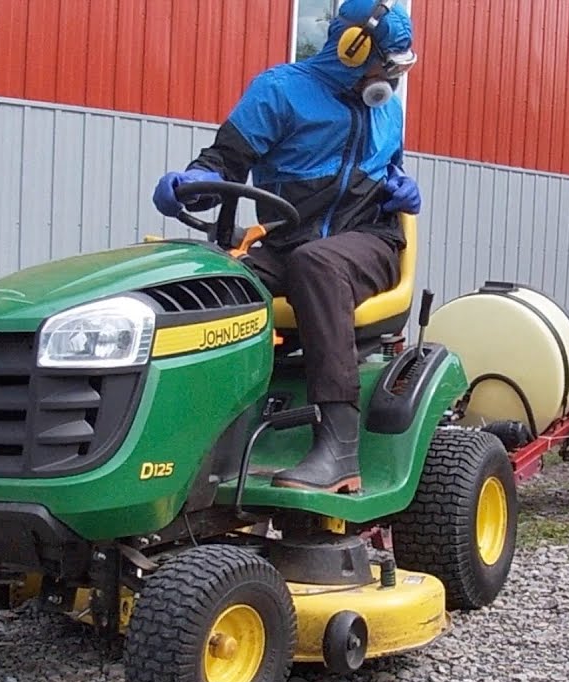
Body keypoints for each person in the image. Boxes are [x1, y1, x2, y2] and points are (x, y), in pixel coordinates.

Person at [152, 0, 422, 494]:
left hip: (369, 242)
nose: (396, 78)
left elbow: (391, 171)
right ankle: (192, 438)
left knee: (315, 263)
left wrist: (404, 188)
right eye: (392, 65)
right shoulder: (279, 92)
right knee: (208, 283)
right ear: (353, 49)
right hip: (288, 242)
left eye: (404, 66)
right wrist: (193, 183)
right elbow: (223, 162)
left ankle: (339, 450)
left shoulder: (387, 110)